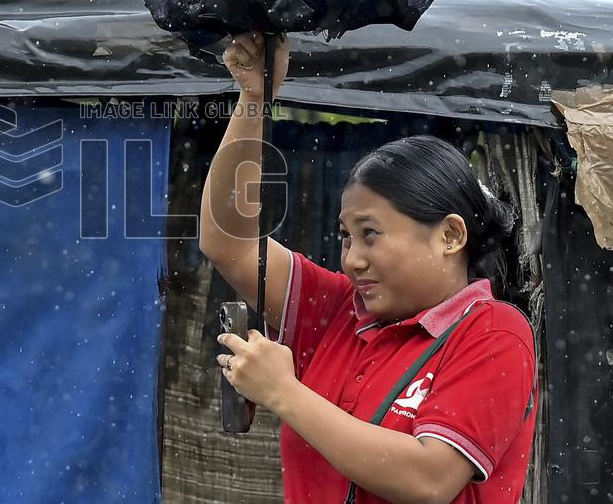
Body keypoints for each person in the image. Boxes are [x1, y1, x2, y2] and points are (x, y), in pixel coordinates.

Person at [200, 33, 536, 503]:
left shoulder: (493, 334)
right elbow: (227, 239)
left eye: (370, 234)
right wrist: (255, 98)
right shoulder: (338, 311)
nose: (352, 258)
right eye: (345, 236)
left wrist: (284, 392)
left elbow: (429, 479)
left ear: (450, 236)